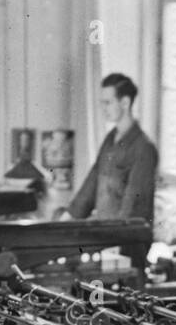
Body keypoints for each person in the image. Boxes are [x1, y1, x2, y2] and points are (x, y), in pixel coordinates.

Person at [59, 73, 158, 224]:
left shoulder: (144, 148)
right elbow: (92, 183)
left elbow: (134, 208)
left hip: (126, 238)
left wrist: (117, 240)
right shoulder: (110, 139)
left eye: (108, 103)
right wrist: (69, 216)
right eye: (102, 103)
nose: (103, 108)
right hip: (106, 232)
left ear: (125, 102)